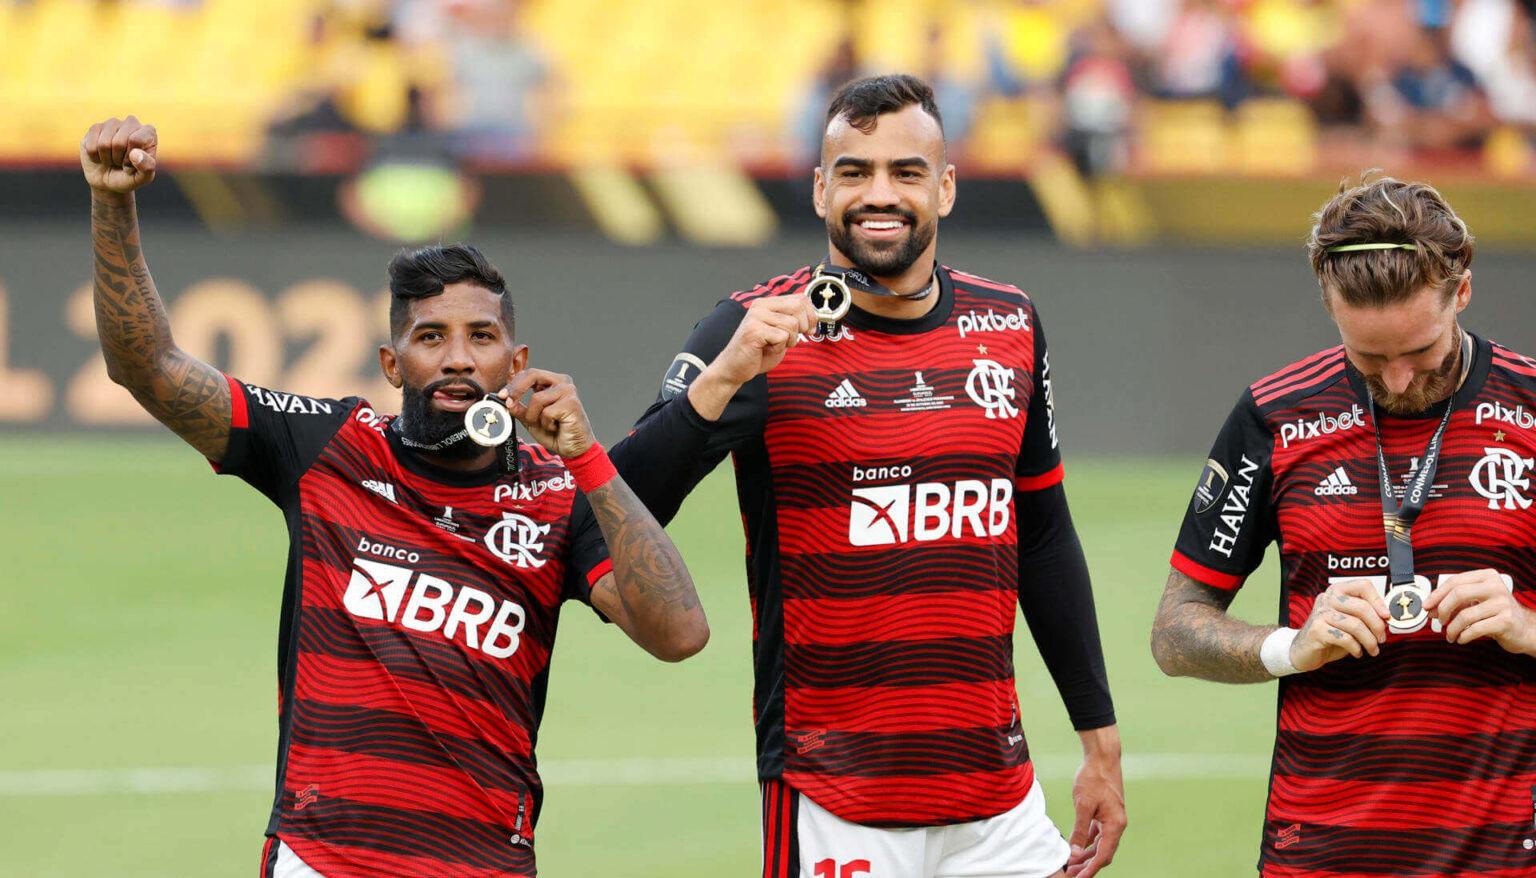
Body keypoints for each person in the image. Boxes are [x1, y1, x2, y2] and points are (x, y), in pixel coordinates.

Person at [80, 116, 707, 878]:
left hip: (480, 865)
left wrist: (587, 459)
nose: (458, 359)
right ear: (391, 362)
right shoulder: (327, 447)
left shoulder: (556, 497)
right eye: (431, 337)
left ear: (516, 361)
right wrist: (113, 203)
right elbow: (147, 366)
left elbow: (679, 634)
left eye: (481, 337)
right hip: (323, 859)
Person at [613, 75, 1125, 878]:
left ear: (945, 188)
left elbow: (1044, 535)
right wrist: (724, 378)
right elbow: (616, 509)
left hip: (999, 801)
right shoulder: (749, 328)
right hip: (834, 794)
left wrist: (1100, 743)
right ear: (821, 189)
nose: (879, 194)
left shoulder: (1011, 323)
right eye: (854, 172)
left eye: (905, 171)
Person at [1152, 175, 1536, 876]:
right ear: (1330, 307)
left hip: (1507, 856)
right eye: (1369, 357)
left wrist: (1529, 626)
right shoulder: (1275, 416)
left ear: (1462, 292)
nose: (1396, 380)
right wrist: (1291, 647)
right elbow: (1175, 633)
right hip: (1321, 853)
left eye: (1419, 351)